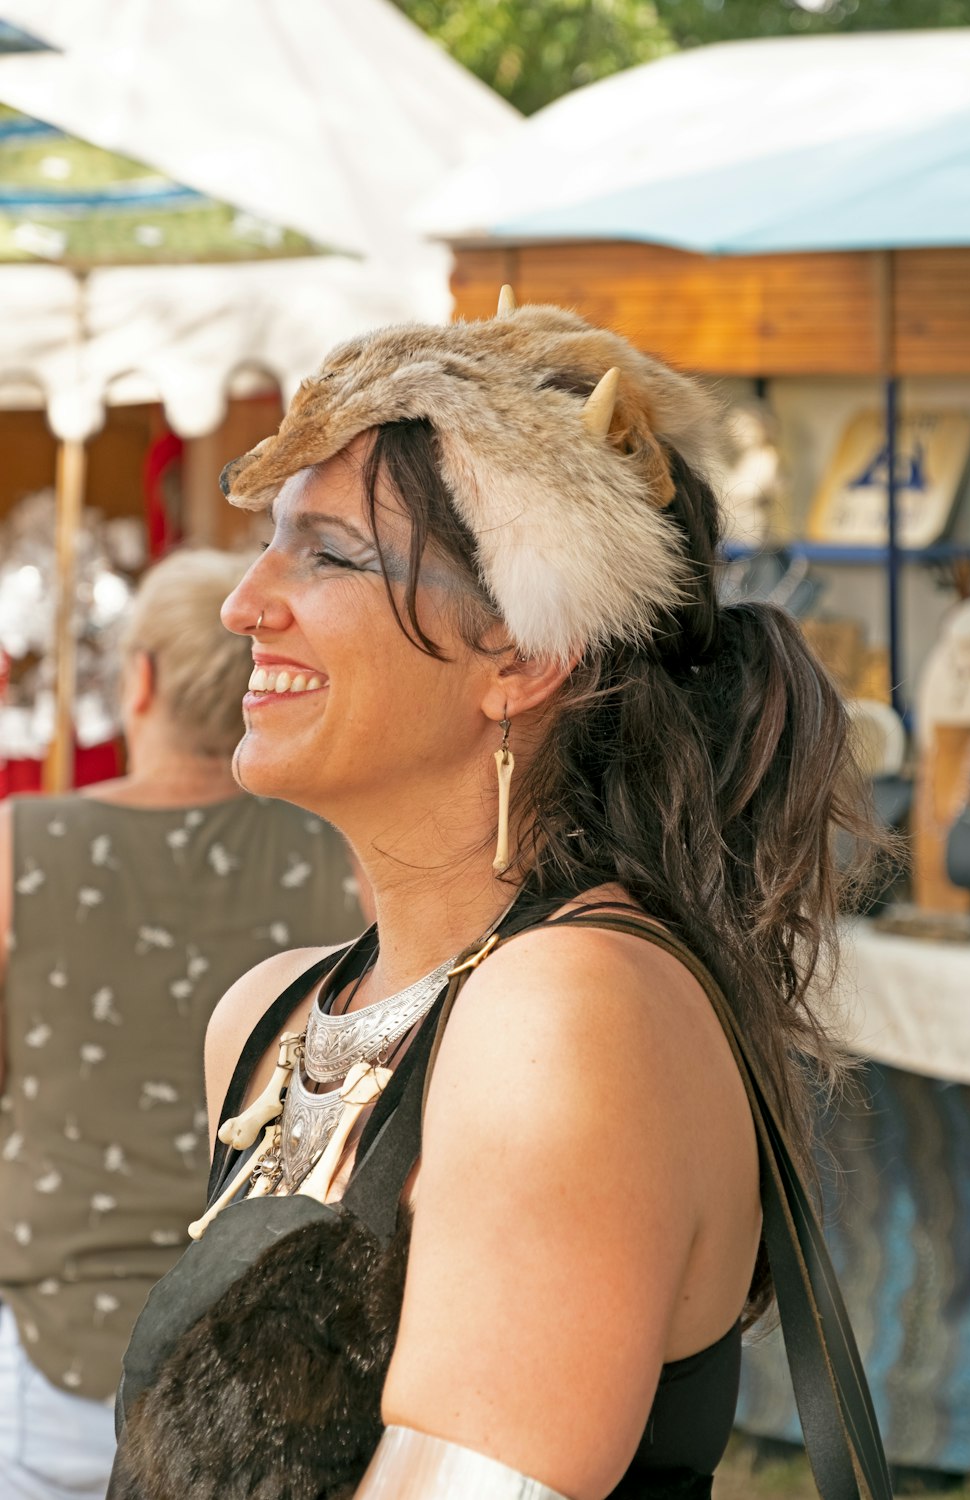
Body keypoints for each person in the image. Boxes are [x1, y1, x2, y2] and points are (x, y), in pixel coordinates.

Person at [109, 295, 877, 1500]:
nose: (243, 601)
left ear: (520, 655)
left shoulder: (566, 1011)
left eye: (326, 554)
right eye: (269, 542)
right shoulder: (270, 1018)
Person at [0, 548, 364, 1500]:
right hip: (253, 1344)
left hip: (52, 1330)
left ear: (142, 677)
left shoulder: (21, 846)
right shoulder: (345, 859)